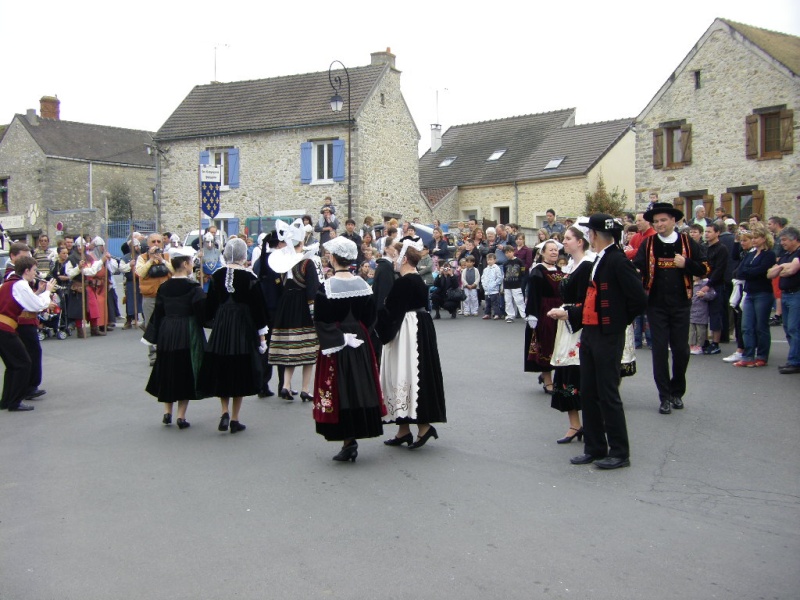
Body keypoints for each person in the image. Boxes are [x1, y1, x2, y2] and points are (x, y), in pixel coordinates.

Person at [549, 214, 648, 470]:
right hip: (591, 334)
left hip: (606, 335)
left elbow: (638, 298)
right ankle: (594, 447)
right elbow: (593, 300)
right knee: (590, 392)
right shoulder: (600, 259)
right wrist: (572, 314)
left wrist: (616, 324)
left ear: (593, 235)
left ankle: (619, 452)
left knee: (608, 395)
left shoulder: (616, 260)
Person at [312, 237, 386, 462]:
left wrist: (339, 337)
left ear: (334, 258)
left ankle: (347, 439)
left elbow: (321, 321)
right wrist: (361, 332)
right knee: (358, 385)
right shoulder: (363, 285)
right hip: (359, 341)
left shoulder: (326, 287)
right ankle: (351, 438)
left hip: (338, 343)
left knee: (341, 386)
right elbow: (372, 316)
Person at [633, 202, 709, 414]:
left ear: (674, 221)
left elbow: (705, 267)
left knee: (681, 350)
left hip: (681, 304)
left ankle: (677, 391)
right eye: (656, 221)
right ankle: (664, 396)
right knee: (658, 351)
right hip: (656, 305)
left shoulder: (687, 242)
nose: (659, 224)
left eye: (663, 220)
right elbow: (637, 268)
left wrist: (687, 264)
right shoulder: (648, 244)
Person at [377, 237, 447, 449]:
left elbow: (392, 312)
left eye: (398, 256)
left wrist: (379, 323)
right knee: (411, 375)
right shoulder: (416, 279)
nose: (395, 260)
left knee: (407, 374)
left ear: (405, 258)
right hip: (418, 327)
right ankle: (404, 429)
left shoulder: (404, 282)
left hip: (407, 332)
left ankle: (421, 427)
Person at [199, 238, 268, 434]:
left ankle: (224, 411)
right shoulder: (250, 278)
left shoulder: (217, 275)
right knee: (240, 368)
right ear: (243, 255)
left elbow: (210, 305)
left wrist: (215, 322)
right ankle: (235, 418)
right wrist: (262, 338)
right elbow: (258, 309)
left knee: (223, 366)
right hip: (242, 325)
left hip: (222, 324)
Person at [143, 247, 208, 429]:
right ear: (186, 264)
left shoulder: (164, 287)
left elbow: (158, 313)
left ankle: (167, 412)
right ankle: (181, 416)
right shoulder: (193, 287)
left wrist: (152, 335)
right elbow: (202, 311)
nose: (193, 265)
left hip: (166, 331)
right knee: (184, 370)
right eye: (192, 262)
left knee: (168, 368)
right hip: (186, 331)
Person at [548, 224, 594, 443]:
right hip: (566, 323)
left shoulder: (588, 265)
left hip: (579, 324)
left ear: (580, 241)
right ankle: (574, 425)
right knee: (566, 373)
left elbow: (589, 300)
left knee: (581, 373)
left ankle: (593, 424)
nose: (563, 242)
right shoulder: (571, 266)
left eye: (567, 238)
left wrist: (568, 312)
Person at [268, 219, 320, 401]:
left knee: (290, 348)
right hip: (302, 307)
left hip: (286, 305)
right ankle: (305, 388)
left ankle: (286, 385)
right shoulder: (307, 263)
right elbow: (313, 290)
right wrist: (315, 313)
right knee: (307, 350)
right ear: (302, 242)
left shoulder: (284, 262)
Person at [0, 256, 57, 412]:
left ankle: (7, 400)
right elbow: (37, 305)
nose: (35, 273)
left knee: (13, 365)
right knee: (23, 363)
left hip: (3, 328)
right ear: (26, 270)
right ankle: (15, 402)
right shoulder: (20, 284)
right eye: (33, 270)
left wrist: (39, 292)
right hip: (4, 328)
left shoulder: (9, 283)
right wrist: (47, 292)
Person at [734, 223, 776, 367]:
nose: (754, 240)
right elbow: (739, 271)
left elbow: (761, 271)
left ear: (764, 239)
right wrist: (750, 271)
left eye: (757, 237)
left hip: (763, 293)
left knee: (761, 326)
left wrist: (749, 271)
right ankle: (748, 355)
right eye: (753, 237)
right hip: (750, 292)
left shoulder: (769, 254)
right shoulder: (751, 254)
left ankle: (762, 355)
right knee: (746, 326)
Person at [524, 240, 563, 394]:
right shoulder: (538, 271)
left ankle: (552, 376)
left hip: (559, 309)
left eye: (556, 250)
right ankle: (548, 380)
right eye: (551, 250)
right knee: (545, 344)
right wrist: (532, 314)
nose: (554, 252)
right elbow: (533, 294)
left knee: (558, 344)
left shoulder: (559, 269)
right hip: (544, 310)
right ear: (543, 253)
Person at [136, 233, 173, 364]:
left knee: (166, 323)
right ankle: (152, 353)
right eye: (153, 242)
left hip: (165, 296)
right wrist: (151, 260)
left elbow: (174, 270)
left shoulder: (167, 256)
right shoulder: (142, 258)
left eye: (158, 241)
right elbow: (140, 272)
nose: (156, 244)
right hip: (150, 296)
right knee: (150, 325)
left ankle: (164, 350)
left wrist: (162, 260)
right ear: (148, 244)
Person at [768, 227, 800, 374]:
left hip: (796, 295)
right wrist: (782, 267)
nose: (782, 243)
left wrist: (781, 268)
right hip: (786, 294)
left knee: (794, 328)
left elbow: (792, 270)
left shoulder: (798, 253)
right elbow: (770, 273)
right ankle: (794, 358)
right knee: (788, 328)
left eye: (785, 240)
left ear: (794, 239)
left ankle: (795, 361)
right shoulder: (787, 255)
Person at [701, 222, 729, 354]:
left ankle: (716, 342)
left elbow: (719, 269)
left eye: (709, 231)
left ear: (717, 233)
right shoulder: (704, 247)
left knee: (715, 314)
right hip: (703, 282)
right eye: (705, 231)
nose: (706, 234)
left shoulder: (721, 248)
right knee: (702, 314)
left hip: (716, 284)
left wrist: (709, 284)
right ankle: (704, 340)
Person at [689, 276, 716, 355]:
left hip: (701, 311)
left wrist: (704, 295)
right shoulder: (690, 284)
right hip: (691, 310)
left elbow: (713, 294)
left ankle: (699, 346)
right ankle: (691, 345)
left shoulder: (705, 284)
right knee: (691, 330)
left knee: (701, 330)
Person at [502, 245, 526, 323]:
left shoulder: (519, 261)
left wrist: (520, 280)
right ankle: (510, 315)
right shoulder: (505, 263)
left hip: (516, 284)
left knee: (519, 300)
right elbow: (505, 273)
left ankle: (525, 315)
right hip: (507, 284)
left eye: (510, 252)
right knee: (508, 301)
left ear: (513, 252)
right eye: (506, 253)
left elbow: (523, 271)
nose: (508, 254)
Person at [480, 252, 503, 319]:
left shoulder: (496, 268)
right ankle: (487, 313)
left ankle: (497, 314)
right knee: (488, 303)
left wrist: (494, 284)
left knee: (495, 303)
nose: (489, 261)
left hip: (494, 289)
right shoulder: (485, 269)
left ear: (495, 260)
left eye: (491, 259)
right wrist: (484, 285)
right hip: (487, 290)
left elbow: (499, 278)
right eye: (488, 260)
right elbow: (483, 278)